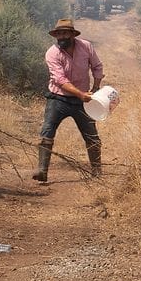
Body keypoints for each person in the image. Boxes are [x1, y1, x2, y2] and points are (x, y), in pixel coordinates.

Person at [33, 18, 104, 182]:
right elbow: (60, 80)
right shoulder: (52, 53)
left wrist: (96, 87)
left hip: (83, 100)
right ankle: (42, 171)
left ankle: (97, 173)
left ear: (72, 34)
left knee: (92, 136)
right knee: (47, 132)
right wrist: (81, 94)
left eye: (65, 33)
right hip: (58, 98)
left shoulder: (86, 46)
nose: (61, 37)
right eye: (59, 34)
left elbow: (97, 66)